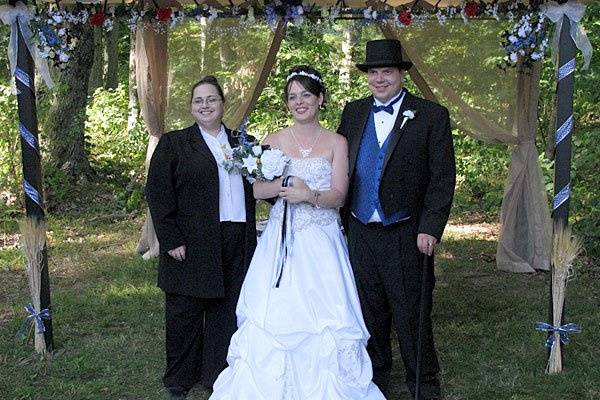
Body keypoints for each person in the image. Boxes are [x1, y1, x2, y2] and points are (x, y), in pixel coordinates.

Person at [210, 65, 385, 399]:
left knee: (327, 318)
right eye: (292, 96)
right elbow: (258, 191)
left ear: (320, 99)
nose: (299, 102)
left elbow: (339, 196)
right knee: (272, 313)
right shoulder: (273, 140)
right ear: (286, 104)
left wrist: (310, 196)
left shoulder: (337, 142)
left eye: (306, 94)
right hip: (281, 239)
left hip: (321, 238)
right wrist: (281, 184)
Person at [338, 39, 456, 400]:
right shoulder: (353, 112)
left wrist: (430, 228)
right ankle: (376, 379)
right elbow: (339, 167)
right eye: (373, 72)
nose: (379, 79)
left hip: (406, 230)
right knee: (369, 309)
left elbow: (441, 178)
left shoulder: (431, 115)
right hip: (360, 229)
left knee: (411, 310)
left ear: (402, 74)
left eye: (387, 71)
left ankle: (424, 382)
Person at [146, 76, 257, 400]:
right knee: (186, 309)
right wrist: (170, 239)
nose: (206, 105)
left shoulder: (243, 142)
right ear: (192, 107)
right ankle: (179, 379)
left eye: (212, 99)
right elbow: (158, 193)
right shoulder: (175, 143)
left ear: (224, 104)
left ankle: (216, 373)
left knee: (226, 307)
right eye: (199, 100)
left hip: (236, 234)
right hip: (192, 238)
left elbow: (260, 183)